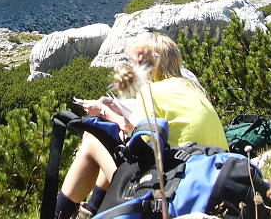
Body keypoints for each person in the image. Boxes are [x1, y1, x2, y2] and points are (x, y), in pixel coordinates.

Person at [55, 33, 228, 219]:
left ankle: (59, 213)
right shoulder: (191, 87)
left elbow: (135, 139)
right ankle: (91, 209)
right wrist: (116, 112)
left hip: (175, 184)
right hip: (212, 176)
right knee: (110, 146)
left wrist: (104, 112)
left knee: (92, 139)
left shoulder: (151, 91)